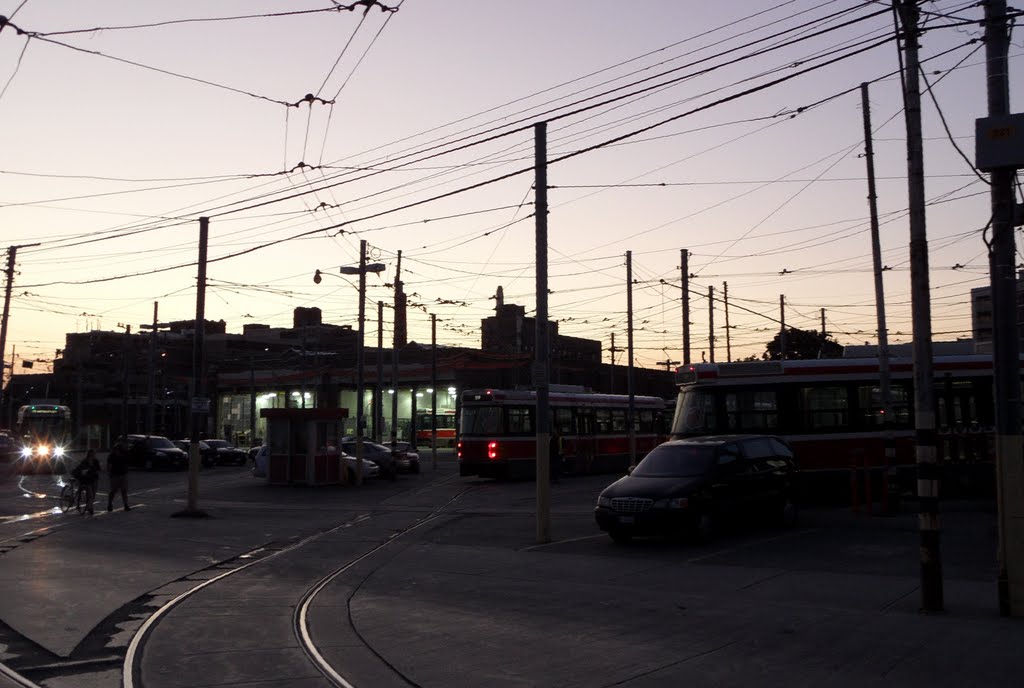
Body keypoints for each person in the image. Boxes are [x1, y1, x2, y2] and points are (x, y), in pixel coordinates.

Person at [71, 449, 101, 515]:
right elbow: (80, 469)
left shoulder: (96, 461)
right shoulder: (84, 461)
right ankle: (89, 507)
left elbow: (99, 469)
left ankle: (90, 507)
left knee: (93, 494)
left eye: (93, 454)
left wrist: (95, 472)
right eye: (91, 454)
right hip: (87, 480)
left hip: (94, 479)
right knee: (90, 494)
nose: (92, 455)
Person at [107, 442, 131, 512]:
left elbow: (127, 463)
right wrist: (109, 473)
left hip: (123, 474)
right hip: (115, 475)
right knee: (113, 491)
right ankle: (110, 504)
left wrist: (126, 471)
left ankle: (126, 505)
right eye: (117, 449)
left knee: (124, 491)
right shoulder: (112, 456)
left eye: (119, 449)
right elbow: (109, 465)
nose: (118, 451)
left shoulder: (124, 455)